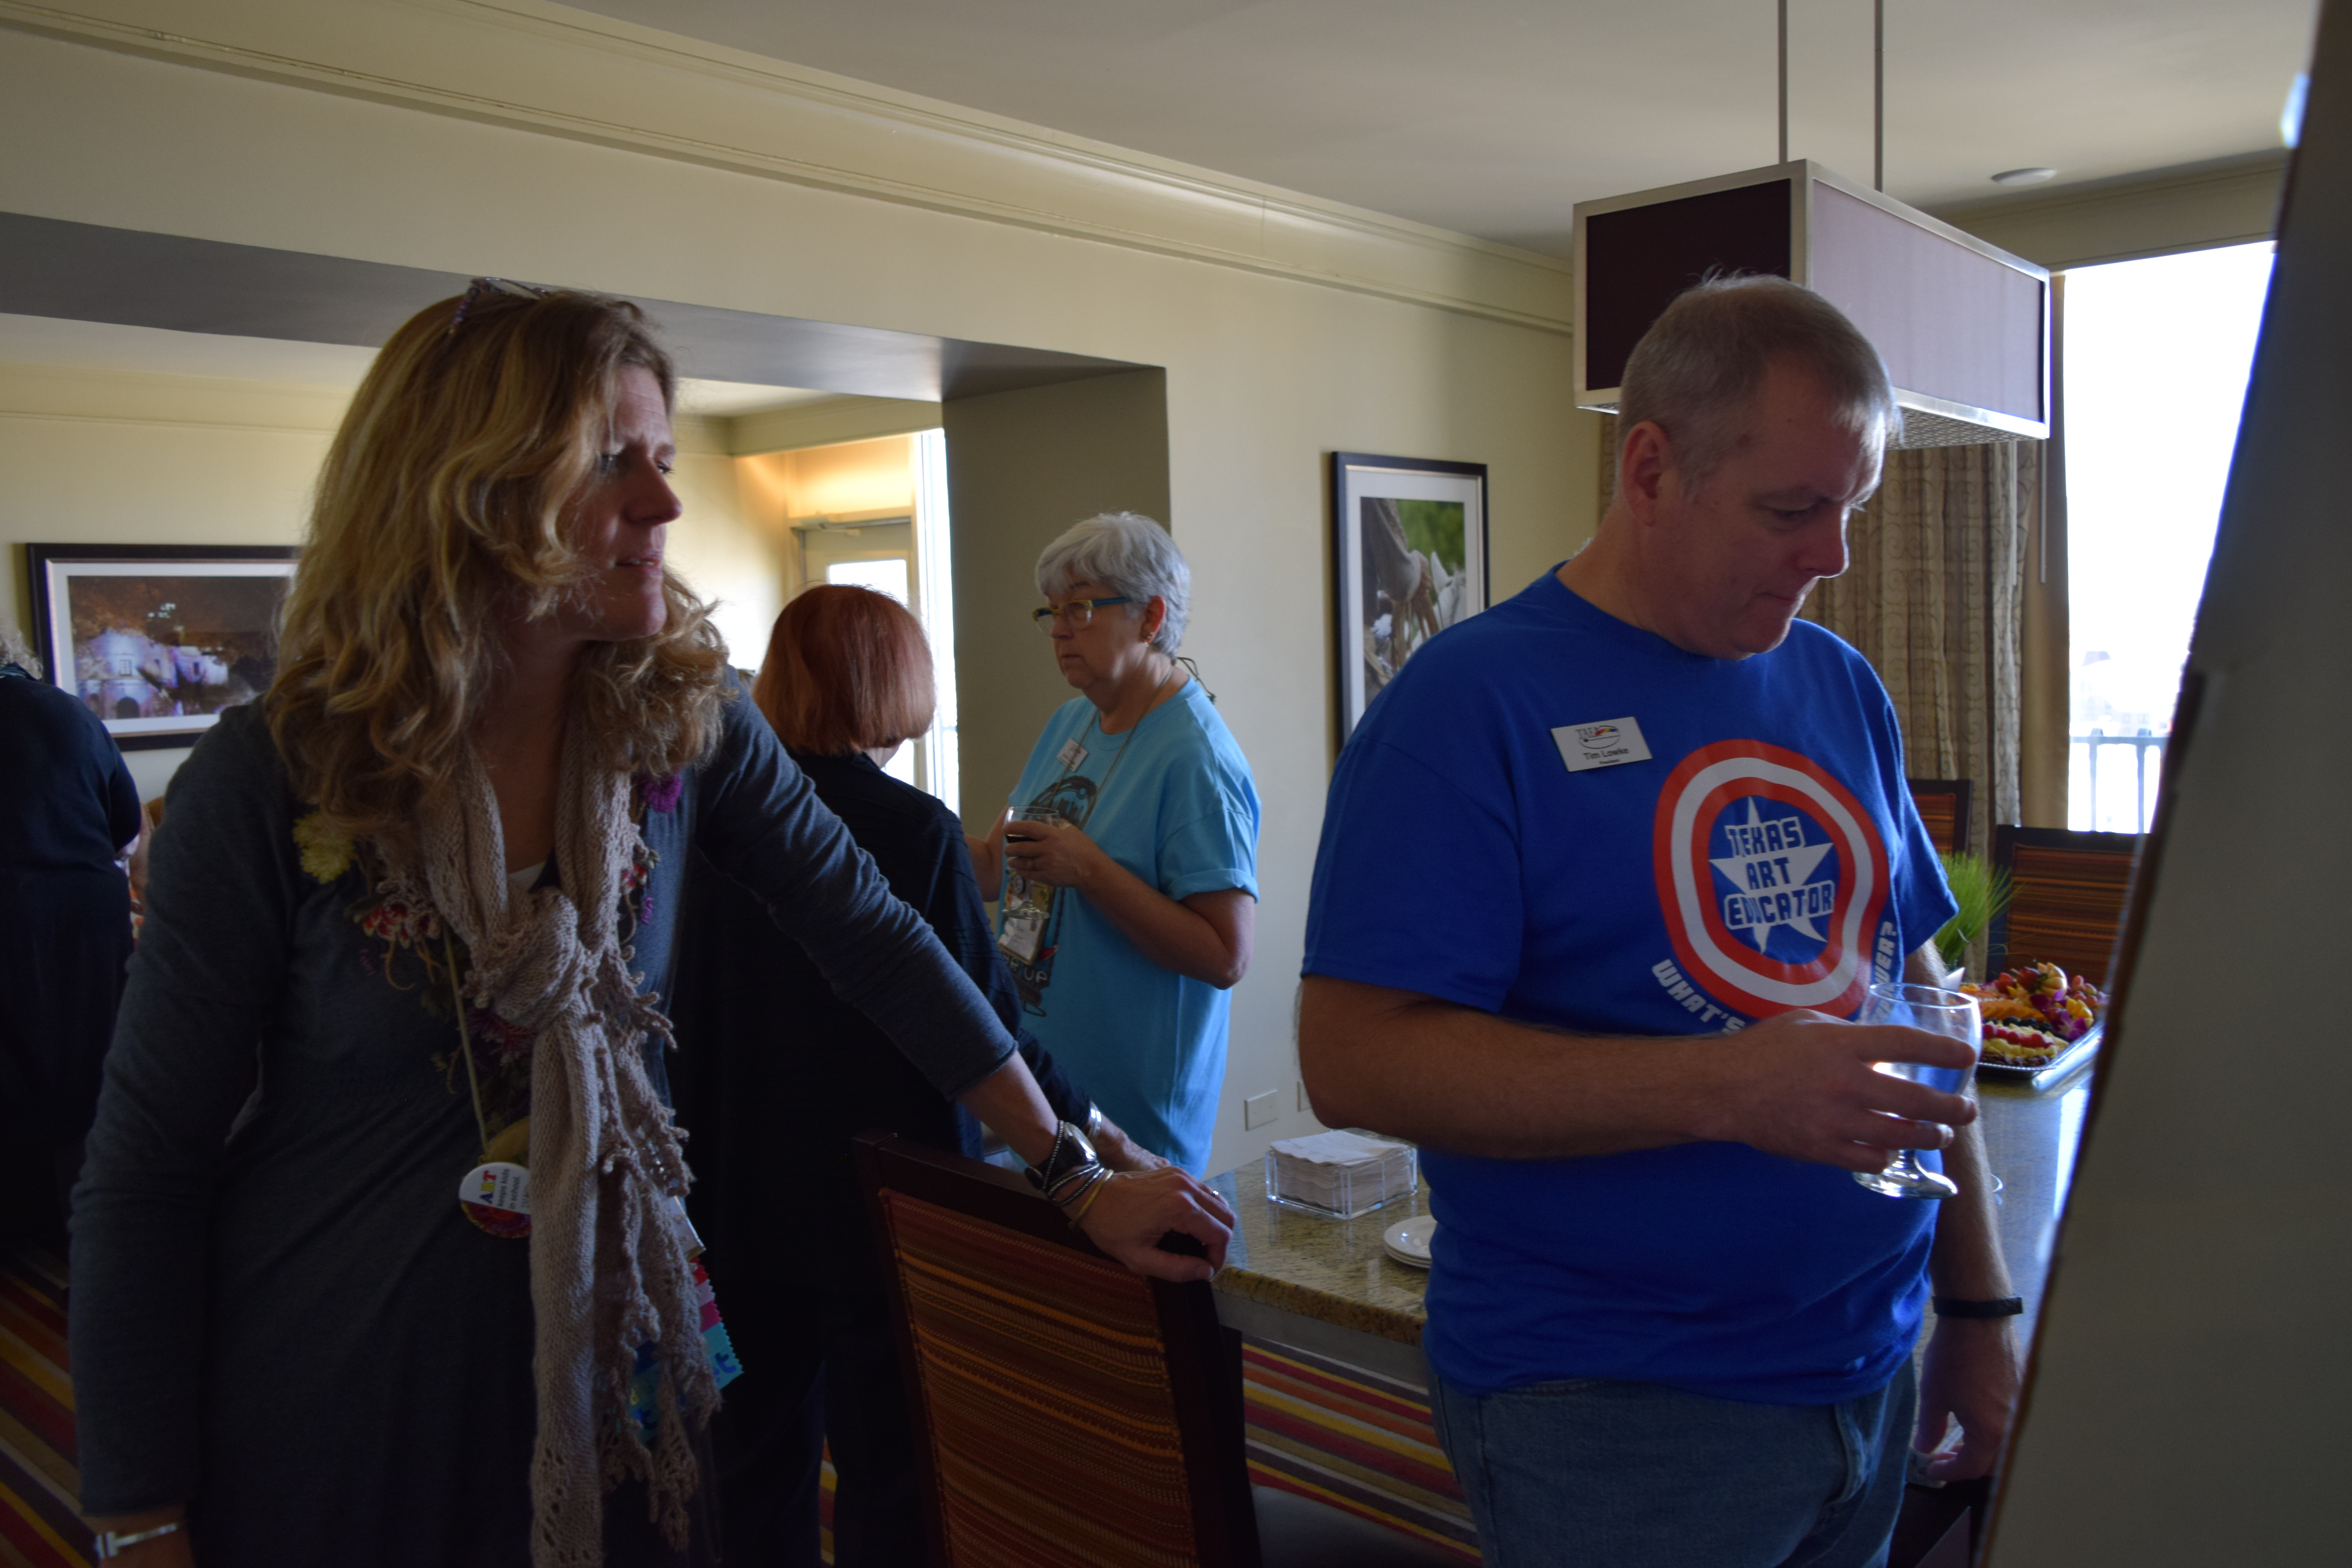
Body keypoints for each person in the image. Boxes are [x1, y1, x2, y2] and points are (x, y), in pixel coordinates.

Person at [68, 283, 1232, 1568]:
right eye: (612, 461)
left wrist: (1071, 1170)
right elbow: (149, 1164)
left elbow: (878, 937)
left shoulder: (685, 725)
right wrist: (137, 1519)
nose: (665, 504)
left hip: (619, 1364)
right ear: (470, 487)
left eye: (665, 458)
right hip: (350, 1393)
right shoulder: (276, 777)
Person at [1299, 276, 2020, 1568]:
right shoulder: (1468, 703)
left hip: (1872, 1361)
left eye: (1851, 509)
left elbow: (1918, 1012)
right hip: (1616, 1408)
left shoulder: (1840, 683)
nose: (1834, 557)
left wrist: (1977, 1306)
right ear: (1649, 469)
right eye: (1791, 511)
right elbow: (1354, 1060)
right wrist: (1727, 1089)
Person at [668, 584, 1168, 1566]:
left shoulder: (703, 831)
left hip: (732, 1190)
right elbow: (988, 1029)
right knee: (893, 1472)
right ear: (896, 686)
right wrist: (1103, 1140)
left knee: (752, 1462)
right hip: (880, 1201)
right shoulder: (915, 831)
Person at [966, 513, 1260, 1175]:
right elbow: (992, 867)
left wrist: (1093, 873)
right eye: (1052, 611)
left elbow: (1227, 956)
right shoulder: (1070, 722)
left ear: (1151, 617)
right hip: (1042, 1095)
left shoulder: (1196, 757)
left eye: (1080, 608)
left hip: (1132, 1124)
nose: (1059, 629)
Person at [0, 627, 142, 1252]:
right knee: (92, 1067)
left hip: (12, 917)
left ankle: (26, 1232)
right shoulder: (69, 711)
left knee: (17, 1076)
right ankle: (93, 1230)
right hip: (89, 917)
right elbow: (125, 826)